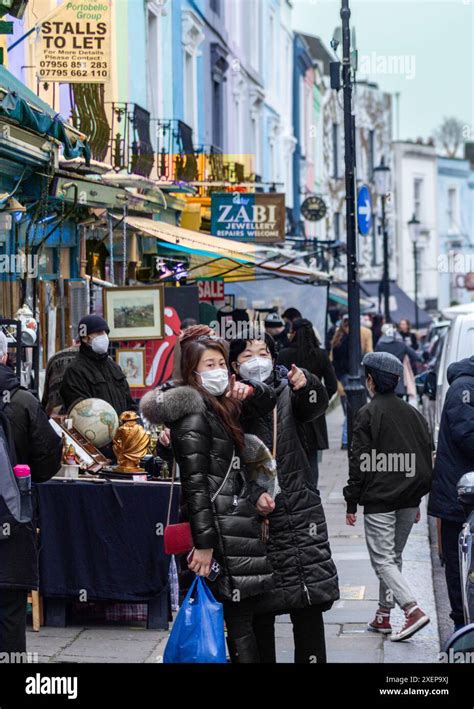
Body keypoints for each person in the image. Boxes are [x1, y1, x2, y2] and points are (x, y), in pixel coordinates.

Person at [140, 337, 276, 663]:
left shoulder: (218, 407)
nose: (217, 371)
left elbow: (266, 403)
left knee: (240, 621)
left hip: (233, 526)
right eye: (208, 365)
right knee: (228, 621)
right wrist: (204, 543)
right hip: (218, 532)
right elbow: (196, 485)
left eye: (220, 364)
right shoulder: (194, 416)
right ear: (192, 372)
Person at [229, 335, 339, 664]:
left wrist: (308, 384)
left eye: (263, 353)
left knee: (306, 605)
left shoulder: (290, 391)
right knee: (259, 611)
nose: (256, 360)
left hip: (297, 515)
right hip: (252, 522)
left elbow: (315, 405)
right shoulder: (228, 402)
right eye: (248, 355)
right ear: (234, 366)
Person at [343, 351, 433, 641]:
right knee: (392, 558)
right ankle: (383, 616)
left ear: (369, 380)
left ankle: (412, 609)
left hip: (380, 498)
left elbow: (359, 462)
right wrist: (417, 499)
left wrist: (351, 500)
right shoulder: (414, 414)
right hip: (408, 498)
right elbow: (425, 457)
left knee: (383, 560)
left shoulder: (367, 414)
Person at [0, 332, 62, 654]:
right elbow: (47, 463)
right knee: (10, 610)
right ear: (5, 357)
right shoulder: (23, 401)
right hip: (12, 522)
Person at [428, 356, 474, 631]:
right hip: (459, 498)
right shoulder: (464, 389)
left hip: (465, 494)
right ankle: (461, 624)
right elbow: (467, 435)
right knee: (460, 564)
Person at [277, 318, 337, 488]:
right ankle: (312, 492)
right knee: (312, 460)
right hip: (314, 415)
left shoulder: (284, 354)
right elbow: (331, 385)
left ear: (294, 333)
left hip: (290, 412)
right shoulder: (321, 354)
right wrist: (319, 400)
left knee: (290, 456)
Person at [60, 314, 137, 416]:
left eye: (106, 333)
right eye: (99, 332)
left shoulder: (113, 367)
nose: (104, 336)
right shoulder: (75, 371)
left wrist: (134, 423)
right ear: (85, 338)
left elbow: (129, 404)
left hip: (122, 430)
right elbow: (80, 410)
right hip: (94, 430)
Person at [331, 315, 372, 449]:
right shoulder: (349, 340)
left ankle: (347, 440)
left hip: (342, 376)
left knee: (350, 409)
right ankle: (346, 440)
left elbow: (335, 361)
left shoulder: (337, 339)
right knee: (353, 410)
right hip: (350, 376)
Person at [375, 324, 420, 399]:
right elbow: (415, 356)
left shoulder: (380, 345)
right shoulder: (402, 345)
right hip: (398, 383)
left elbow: (375, 361)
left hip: (384, 381)